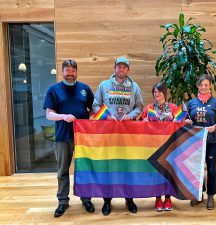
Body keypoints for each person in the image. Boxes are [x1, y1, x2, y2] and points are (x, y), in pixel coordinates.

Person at [43, 59, 95, 217]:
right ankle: (62, 201)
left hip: (83, 138)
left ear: (77, 72)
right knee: (62, 171)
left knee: (84, 169)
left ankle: (86, 198)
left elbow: (93, 110)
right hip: (63, 137)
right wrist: (63, 116)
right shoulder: (54, 90)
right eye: (67, 71)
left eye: (73, 71)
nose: (70, 74)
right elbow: (49, 114)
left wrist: (99, 120)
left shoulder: (85, 89)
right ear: (62, 71)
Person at [92, 56, 143, 216]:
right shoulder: (104, 85)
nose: (121, 69)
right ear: (114, 68)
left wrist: (131, 114)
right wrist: (106, 116)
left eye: (124, 67)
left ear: (128, 70)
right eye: (118, 67)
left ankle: (129, 199)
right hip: (108, 133)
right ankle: (107, 200)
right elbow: (95, 105)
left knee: (128, 166)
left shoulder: (134, 87)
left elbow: (140, 106)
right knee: (108, 167)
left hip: (128, 133)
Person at [186, 74, 216, 210]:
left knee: (211, 169)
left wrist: (215, 126)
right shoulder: (191, 103)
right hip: (196, 142)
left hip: (212, 141)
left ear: (210, 86)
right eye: (201, 85)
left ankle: (211, 196)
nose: (203, 87)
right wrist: (187, 121)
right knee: (197, 169)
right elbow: (185, 119)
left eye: (206, 85)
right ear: (198, 86)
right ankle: (198, 195)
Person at [140, 82, 178, 211]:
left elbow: (182, 123)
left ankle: (168, 198)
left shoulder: (173, 108)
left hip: (169, 146)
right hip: (153, 146)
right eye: (155, 92)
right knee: (156, 173)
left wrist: (177, 122)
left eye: (159, 91)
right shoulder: (148, 109)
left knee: (168, 172)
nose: (157, 94)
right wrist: (143, 122)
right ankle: (157, 198)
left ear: (164, 93)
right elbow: (138, 126)